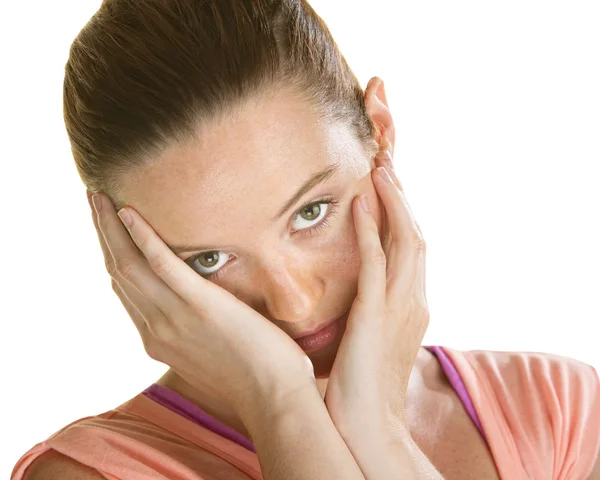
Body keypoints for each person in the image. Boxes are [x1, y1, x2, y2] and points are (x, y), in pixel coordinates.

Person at [11, 0, 600, 478]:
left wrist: (379, 432)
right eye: (209, 260)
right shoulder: (91, 475)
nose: (292, 303)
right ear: (133, 261)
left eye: (311, 212)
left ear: (379, 134)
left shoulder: (560, 410)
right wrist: (280, 404)